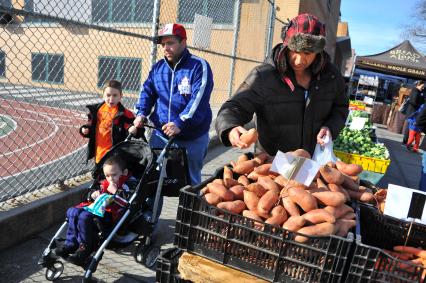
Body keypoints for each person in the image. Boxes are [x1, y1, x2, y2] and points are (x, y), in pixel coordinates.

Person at [215, 13, 349, 156]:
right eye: (295, 51)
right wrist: (230, 127)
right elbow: (234, 106)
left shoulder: (331, 76)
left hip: (313, 162)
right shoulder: (264, 76)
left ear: (318, 52)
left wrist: (330, 127)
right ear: (287, 46)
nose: (299, 61)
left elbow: (340, 107)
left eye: (308, 54)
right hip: (271, 164)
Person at [131, 23, 213, 186]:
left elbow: (199, 99)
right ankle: (151, 213)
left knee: (191, 185)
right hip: (161, 136)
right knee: (153, 183)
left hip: (192, 137)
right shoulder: (158, 68)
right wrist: (141, 113)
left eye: (170, 43)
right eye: (163, 44)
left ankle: (189, 211)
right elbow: (147, 91)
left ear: (183, 42)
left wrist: (180, 122)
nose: (165, 48)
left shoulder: (198, 66)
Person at [52, 155, 136, 265]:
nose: (110, 179)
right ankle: (71, 243)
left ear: (124, 173)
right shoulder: (104, 183)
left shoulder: (128, 184)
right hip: (97, 208)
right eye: (107, 176)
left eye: (114, 175)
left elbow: (128, 204)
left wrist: (116, 192)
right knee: (72, 211)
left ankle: (85, 248)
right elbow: (93, 192)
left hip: (111, 214)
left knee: (84, 217)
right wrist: (93, 194)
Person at [80, 80, 139, 165]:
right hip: (99, 154)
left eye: (115, 95)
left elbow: (136, 129)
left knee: (112, 176)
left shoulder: (125, 113)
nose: (111, 99)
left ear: (121, 96)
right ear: (103, 95)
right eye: (108, 95)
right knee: (99, 176)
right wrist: (85, 130)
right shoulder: (97, 110)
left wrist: (134, 129)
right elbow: (90, 126)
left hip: (115, 155)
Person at [402, 80, 425, 145]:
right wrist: (420, 105)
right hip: (412, 112)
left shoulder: (416, 91)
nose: (422, 88)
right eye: (422, 86)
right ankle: (405, 142)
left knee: (410, 127)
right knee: (409, 127)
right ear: (418, 85)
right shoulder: (416, 91)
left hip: (411, 111)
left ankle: (407, 142)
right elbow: (413, 102)